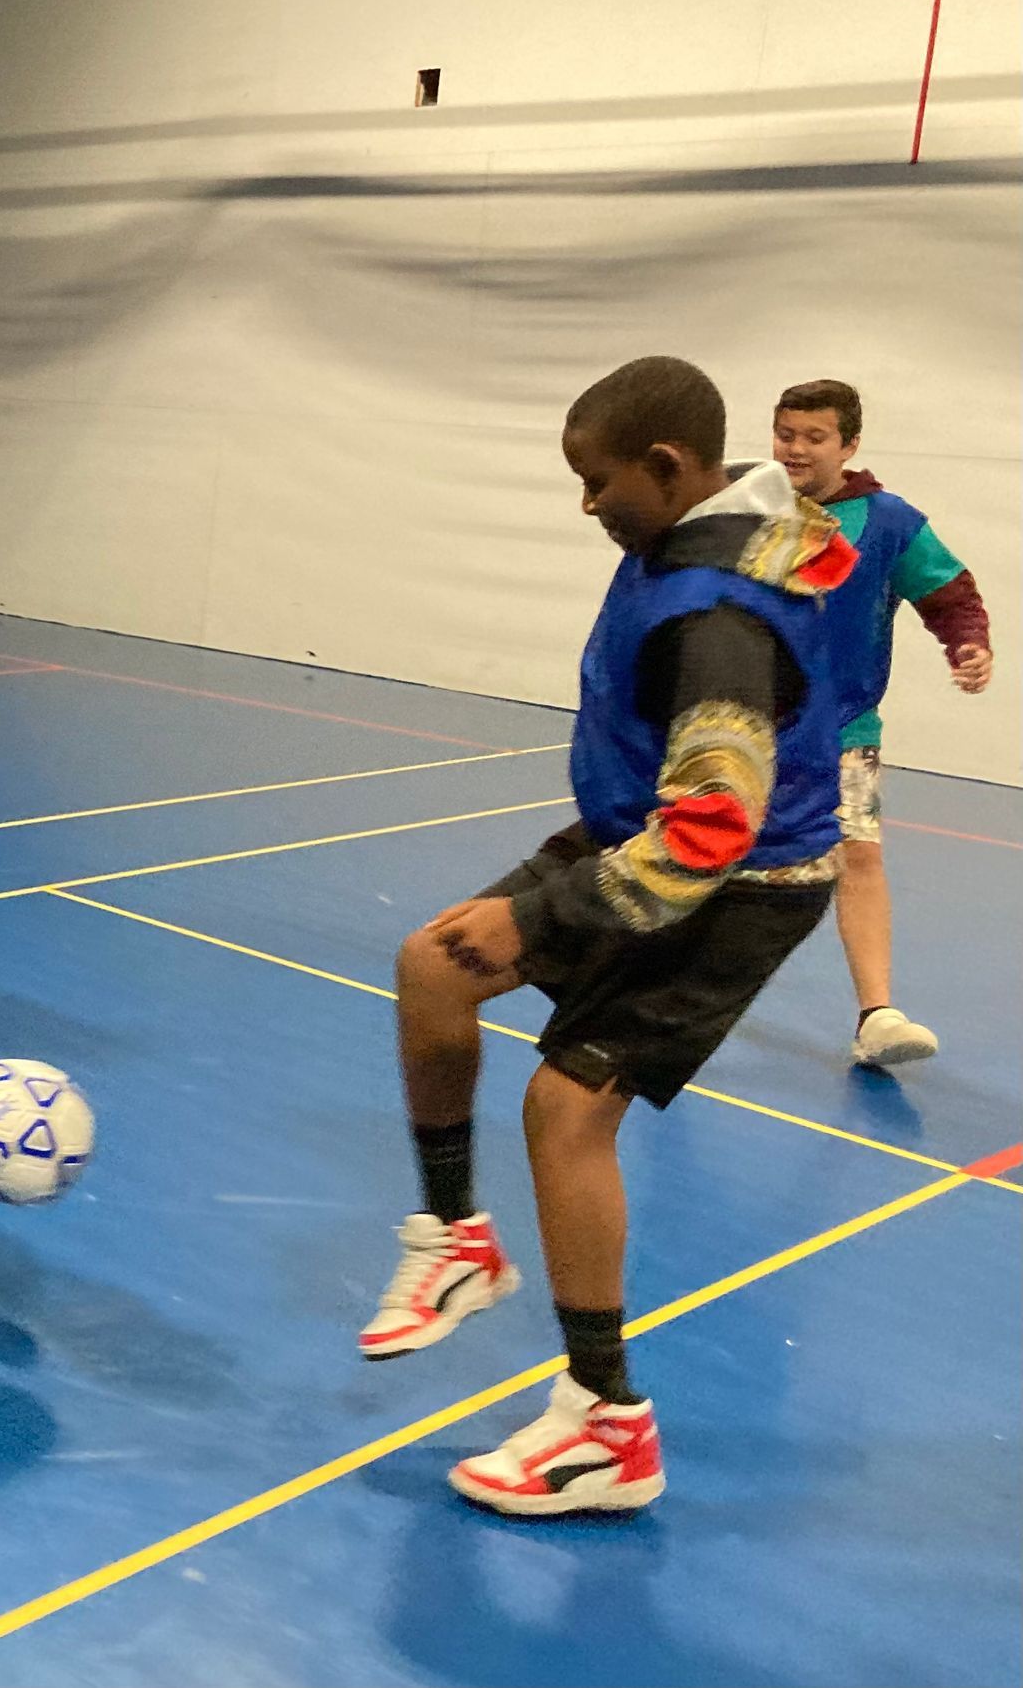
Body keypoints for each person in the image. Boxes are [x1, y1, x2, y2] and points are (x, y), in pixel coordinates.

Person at [358, 356, 854, 1516]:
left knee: (566, 1107)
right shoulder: (675, 550)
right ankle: (456, 1240)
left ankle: (606, 1424)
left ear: (672, 469)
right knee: (433, 965)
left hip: (747, 880)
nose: (587, 506)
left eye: (598, 483)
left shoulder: (718, 616)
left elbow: (714, 832)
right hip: (635, 830)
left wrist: (534, 915)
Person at [771, 379, 994, 1068]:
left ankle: (876, 1015)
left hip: (845, 731)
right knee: (706, 853)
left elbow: (950, 593)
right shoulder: (749, 508)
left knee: (859, 856)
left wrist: (969, 644)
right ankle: (659, 990)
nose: (797, 449)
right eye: (786, 434)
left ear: (849, 445)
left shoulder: (890, 522)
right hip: (743, 728)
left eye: (815, 437)